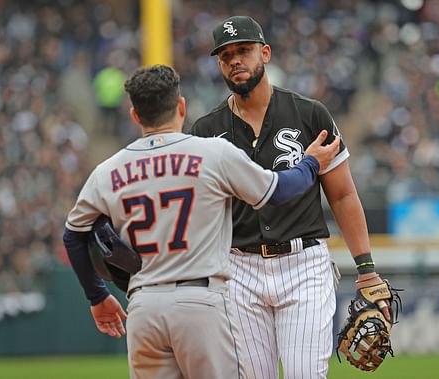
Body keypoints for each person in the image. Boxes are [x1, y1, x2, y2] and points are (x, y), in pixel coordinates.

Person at [62, 64, 340, 379]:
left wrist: (97, 296)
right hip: (200, 301)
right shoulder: (212, 153)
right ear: (181, 107)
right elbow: (278, 191)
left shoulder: (107, 171)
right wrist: (310, 163)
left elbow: (74, 236)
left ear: (135, 116)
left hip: (143, 305)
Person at [190, 16, 391, 379]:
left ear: (265, 53)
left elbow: (343, 194)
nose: (235, 60)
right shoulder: (205, 131)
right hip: (238, 269)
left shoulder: (310, 114)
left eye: (244, 51)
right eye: (226, 55)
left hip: (303, 265)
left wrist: (366, 269)